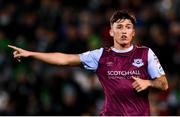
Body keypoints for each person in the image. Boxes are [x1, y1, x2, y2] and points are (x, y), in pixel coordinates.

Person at [8, 10, 168, 116]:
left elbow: (163, 84)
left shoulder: (146, 53)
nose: (124, 31)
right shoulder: (100, 55)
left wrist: (148, 82)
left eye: (128, 27)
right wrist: (32, 54)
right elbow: (64, 59)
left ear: (133, 32)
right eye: (119, 27)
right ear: (112, 31)